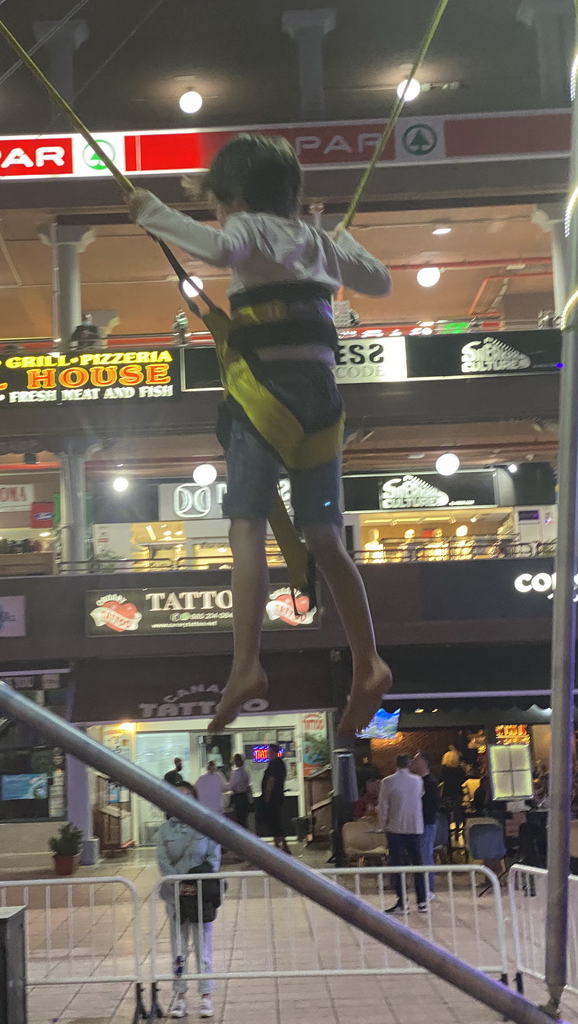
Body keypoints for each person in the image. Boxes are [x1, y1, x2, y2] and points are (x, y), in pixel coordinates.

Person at [127, 133, 392, 736]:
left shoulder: (248, 230)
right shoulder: (318, 244)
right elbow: (379, 283)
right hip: (324, 409)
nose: (219, 216)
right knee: (325, 536)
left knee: (245, 524)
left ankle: (246, 663)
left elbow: (217, 248)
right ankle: (369, 659)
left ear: (236, 197)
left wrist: (151, 213)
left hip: (266, 400)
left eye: (218, 202)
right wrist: (344, 245)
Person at [157, 781, 221, 1019]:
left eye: (187, 796)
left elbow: (212, 859)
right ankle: (180, 994)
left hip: (201, 896)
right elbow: (163, 863)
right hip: (176, 898)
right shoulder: (165, 830)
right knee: (178, 949)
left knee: (203, 948)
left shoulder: (205, 826)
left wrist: (194, 883)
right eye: (178, 796)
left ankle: (206, 995)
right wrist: (179, 884)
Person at [378, 753, 427, 914]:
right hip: (415, 827)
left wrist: (383, 825)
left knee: (397, 865)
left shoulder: (388, 781)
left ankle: (402, 901)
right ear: (409, 764)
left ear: (395, 764)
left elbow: (384, 806)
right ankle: (422, 900)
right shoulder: (418, 781)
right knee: (418, 864)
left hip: (396, 828)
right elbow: (419, 797)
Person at [411, 750, 440, 900]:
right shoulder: (418, 781)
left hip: (426, 824)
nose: (413, 762)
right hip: (419, 824)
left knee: (425, 855)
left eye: (417, 759)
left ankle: (429, 888)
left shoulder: (430, 783)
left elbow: (432, 806)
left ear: (424, 762)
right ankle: (424, 887)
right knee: (421, 856)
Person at [261, 743, 289, 853]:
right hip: (279, 795)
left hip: (273, 797)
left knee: (274, 821)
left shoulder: (273, 764)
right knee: (276, 820)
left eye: (269, 752)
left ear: (273, 752)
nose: (268, 754)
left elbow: (271, 780)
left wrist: (267, 795)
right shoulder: (281, 764)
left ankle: (279, 844)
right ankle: (280, 844)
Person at [229, 753, 252, 828]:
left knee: (239, 818)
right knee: (244, 819)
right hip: (245, 797)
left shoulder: (236, 773)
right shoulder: (245, 772)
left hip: (238, 797)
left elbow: (231, 785)